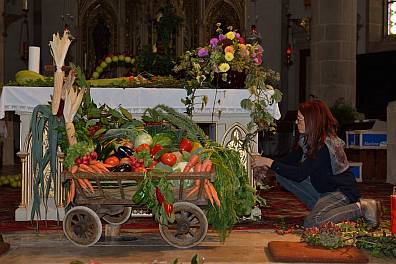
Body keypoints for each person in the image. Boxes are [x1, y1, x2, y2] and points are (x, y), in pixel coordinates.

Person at [253, 99, 382, 228]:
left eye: (299, 119)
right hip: (324, 189)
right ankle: (326, 210)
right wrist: (265, 163)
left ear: (311, 120)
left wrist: (269, 162)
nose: (296, 123)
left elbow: (300, 174)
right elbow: (288, 161)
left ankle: (363, 207)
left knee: (313, 222)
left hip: (340, 192)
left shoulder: (325, 145)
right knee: (282, 173)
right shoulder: (308, 139)